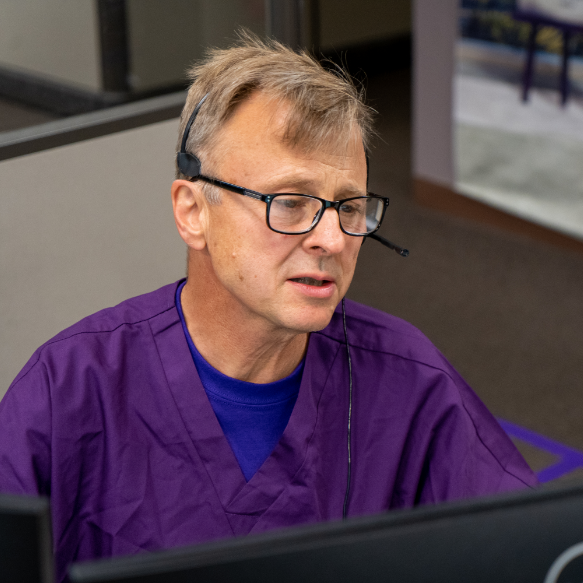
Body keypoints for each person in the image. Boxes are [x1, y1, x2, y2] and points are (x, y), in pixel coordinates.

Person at [0, 34, 537, 582]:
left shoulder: (411, 383)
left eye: (349, 207)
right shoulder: (68, 392)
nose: (331, 238)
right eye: (291, 202)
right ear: (193, 212)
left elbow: (529, 552)